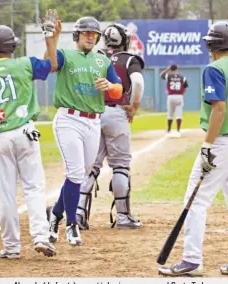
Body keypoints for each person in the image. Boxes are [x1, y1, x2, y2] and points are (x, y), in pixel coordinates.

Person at [158, 22, 228, 277]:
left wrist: (207, 146)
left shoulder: (214, 69)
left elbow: (218, 109)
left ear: (211, 44)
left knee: (195, 200)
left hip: (222, 142)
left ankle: (192, 260)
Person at [0, 20, 59, 259]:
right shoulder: (24, 64)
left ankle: (11, 247)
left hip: (0, 138)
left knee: (6, 193)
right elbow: (52, 64)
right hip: (27, 131)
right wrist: (50, 38)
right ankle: (40, 236)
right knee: (34, 187)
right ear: (13, 46)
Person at [45, 15, 123, 246]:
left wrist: (110, 86)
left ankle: (55, 214)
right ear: (77, 35)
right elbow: (49, 65)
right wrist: (51, 39)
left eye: (94, 34)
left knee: (80, 175)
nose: (91, 37)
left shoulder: (102, 61)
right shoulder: (65, 55)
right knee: (76, 172)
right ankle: (71, 224)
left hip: (93, 122)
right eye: (86, 33)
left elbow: (119, 89)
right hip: (69, 119)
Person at [75, 23, 145, 230]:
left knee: (91, 165)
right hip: (117, 112)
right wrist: (134, 106)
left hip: (94, 113)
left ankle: (78, 215)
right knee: (120, 165)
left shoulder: (96, 57)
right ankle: (123, 217)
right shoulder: (130, 59)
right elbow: (138, 82)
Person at [160, 64, 188, 137]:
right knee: (179, 114)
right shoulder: (182, 77)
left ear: (171, 70)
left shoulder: (169, 76)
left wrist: (167, 69)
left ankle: (169, 130)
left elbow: (161, 75)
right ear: (177, 69)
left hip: (171, 96)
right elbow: (185, 87)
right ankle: (178, 130)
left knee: (170, 114)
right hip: (179, 96)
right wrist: (181, 94)